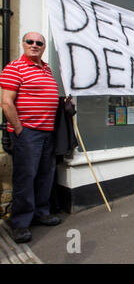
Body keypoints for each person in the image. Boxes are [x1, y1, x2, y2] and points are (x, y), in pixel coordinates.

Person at [0, 32, 61, 243]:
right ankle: (20, 223)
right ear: (23, 44)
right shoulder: (14, 68)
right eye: (30, 42)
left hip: (47, 132)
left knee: (46, 174)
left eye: (39, 43)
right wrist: (19, 130)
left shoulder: (47, 69)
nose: (35, 45)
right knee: (25, 176)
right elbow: (7, 102)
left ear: (44, 47)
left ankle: (41, 213)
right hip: (28, 132)